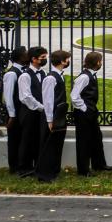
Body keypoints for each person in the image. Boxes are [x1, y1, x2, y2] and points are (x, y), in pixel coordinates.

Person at [70, 51, 109, 176]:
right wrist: (85, 108)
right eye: (100, 61)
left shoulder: (91, 75)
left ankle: (99, 165)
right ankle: (83, 170)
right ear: (97, 62)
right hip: (83, 114)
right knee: (84, 142)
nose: (101, 63)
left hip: (90, 113)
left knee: (96, 138)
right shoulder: (84, 77)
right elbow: (74, 96)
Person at [36, 50, 71, 182]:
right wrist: (50, 120)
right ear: (62, 61)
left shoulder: (59, 75)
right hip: (51, 117)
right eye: (67, 59)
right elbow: (48, 100)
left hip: (58, 115)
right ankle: (45, 174)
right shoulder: (51, 78)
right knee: (48, 146)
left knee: (56, 145)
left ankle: (53, 171)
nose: (68, 61)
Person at [15, 46, 48, 177]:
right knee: (27, 139)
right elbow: (25, 97)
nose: (45, 60)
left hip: (39, 112)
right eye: (42, 58)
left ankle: (36, 165)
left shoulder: (43, 73)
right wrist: (41, 107)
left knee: (37, 139)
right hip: (29, 112)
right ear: (33, 59)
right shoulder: (25, 76)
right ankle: (23, 167)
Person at [0, 46, 28, 174]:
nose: (28, 56)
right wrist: (12, 115)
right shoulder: (12, 74)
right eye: (25, 54)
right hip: (15, 112)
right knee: (14, 140)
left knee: (22, 138)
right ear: (20, 57)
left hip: (22, 112)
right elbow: (8, 96)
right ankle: (14, 167)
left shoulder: (24, 71)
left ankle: (22, 164)